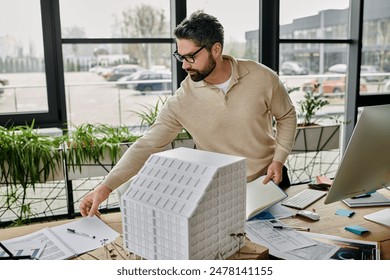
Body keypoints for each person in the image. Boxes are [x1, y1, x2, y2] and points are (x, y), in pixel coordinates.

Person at [80, 11, 297, 217]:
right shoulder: (182, 100)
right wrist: (105, 187)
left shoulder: (261, 77)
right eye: (180, 56)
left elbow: (286, 115)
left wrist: (279, 159)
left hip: (269, 181)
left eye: (191, 56)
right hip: (222, 190)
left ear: (216, 49)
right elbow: (147, 144)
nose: (184, 65)